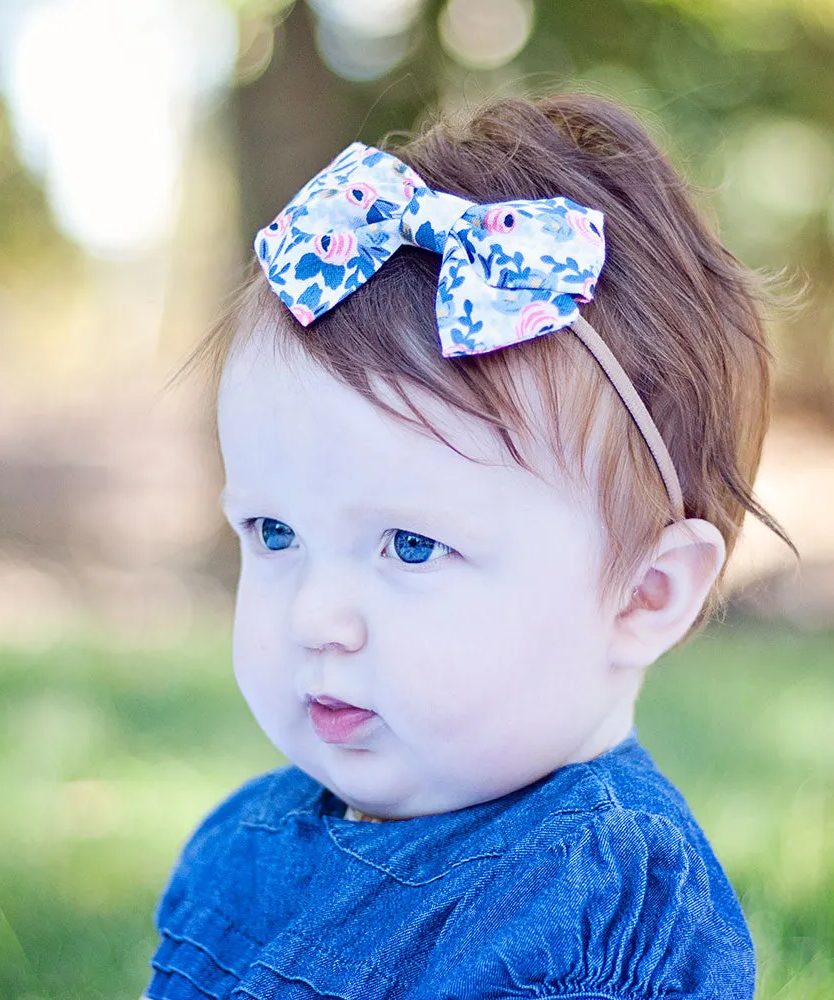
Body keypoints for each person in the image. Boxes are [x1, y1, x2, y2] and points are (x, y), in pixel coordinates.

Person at [144, 94, 794, 999]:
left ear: (645, 594)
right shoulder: (239, 846)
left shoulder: (591, 903)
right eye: (275, 532)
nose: (317, 617)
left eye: (411, 546)